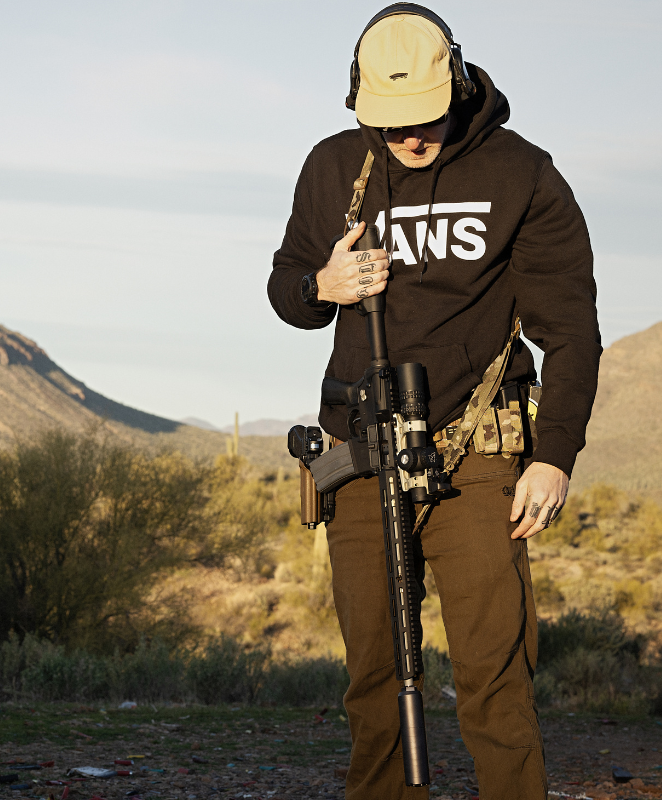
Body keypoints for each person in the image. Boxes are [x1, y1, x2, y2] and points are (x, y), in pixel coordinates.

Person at [268, 4, 601, 799]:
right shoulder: (331, 167)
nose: (410, 138)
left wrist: (554, 454)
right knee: (374, 680)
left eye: (423, 118)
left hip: (475, 458)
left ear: (456, 84)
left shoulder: (521, 173)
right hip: (359, 455)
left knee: (494, 676)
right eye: (391, 123)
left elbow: (572, 331)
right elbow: (286, 288)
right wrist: (322, 286)